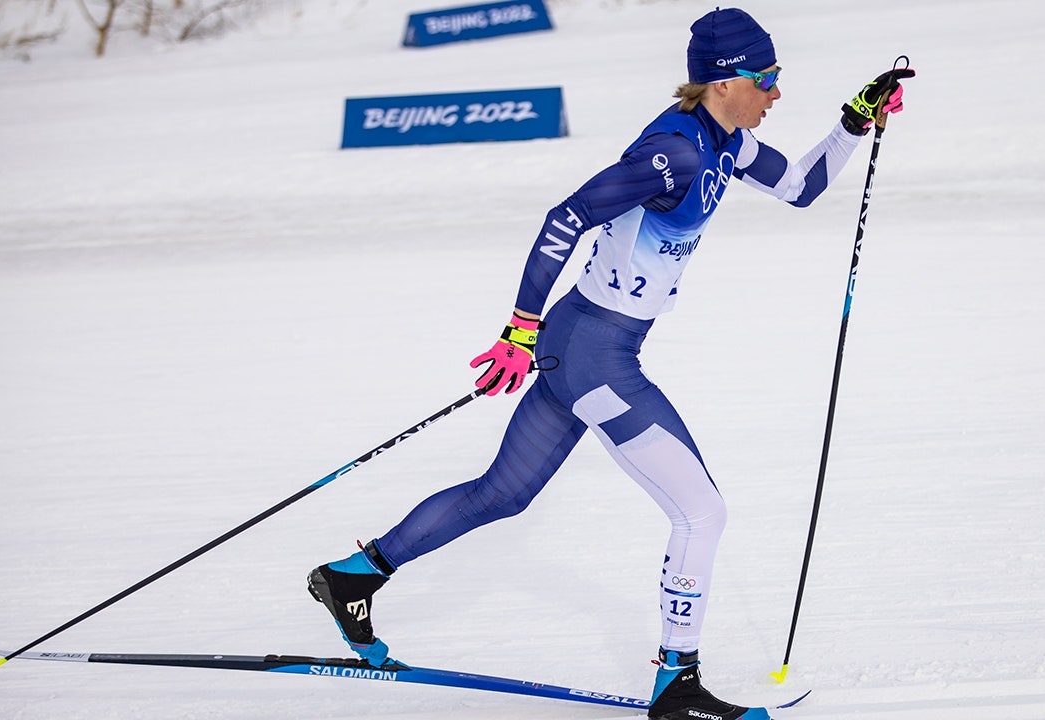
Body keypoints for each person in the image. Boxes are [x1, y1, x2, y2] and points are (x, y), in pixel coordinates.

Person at [308, 8, 914, 720]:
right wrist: (518, 330)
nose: (776, 92)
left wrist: (855, 119)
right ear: (724, 82)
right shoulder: (674, 153)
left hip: (583, 342)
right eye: (767, 78)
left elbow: (802, 188)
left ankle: (355, 575)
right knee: (702, 512)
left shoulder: (730, 141)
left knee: (503, 494)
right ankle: (676, 683)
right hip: (594, 354)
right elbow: (567, 215)